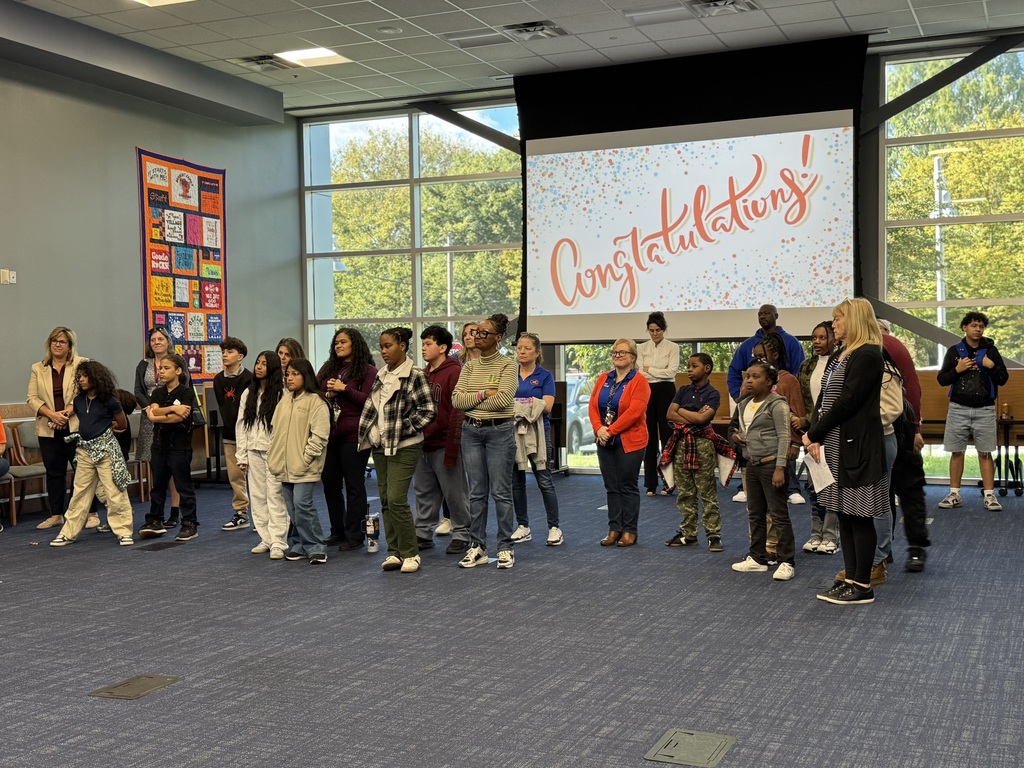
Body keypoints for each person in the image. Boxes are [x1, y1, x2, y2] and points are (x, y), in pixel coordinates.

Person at [804, 297, 887, 606]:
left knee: (860, 516)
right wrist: (814, 432)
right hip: (837, 444)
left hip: (857, 446)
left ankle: (863, 585)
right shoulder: (843, 353)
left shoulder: (868, 355)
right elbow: (826, 398)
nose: (833, 325)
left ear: (853, 321)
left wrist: (814, 432)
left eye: (838, 320)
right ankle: (850, 579)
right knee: (844, 514)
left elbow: (848, 401)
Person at [357, 328, 436, 574]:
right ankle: (394, 552)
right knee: (385, 500)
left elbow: (428, 410)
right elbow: (375, 409)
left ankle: (411, 552)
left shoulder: (414, 375)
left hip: (405, 446)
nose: (383, 351)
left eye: (388, 346)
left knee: (396, 499)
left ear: (402, 346)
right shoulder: (381, 374)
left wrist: (405, 429)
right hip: (381, 446)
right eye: (381, 347)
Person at [452, 313, 519, 569]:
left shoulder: (508, 365)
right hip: (471, 432)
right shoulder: (469, 366)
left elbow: (504, 400)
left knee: (501, 493)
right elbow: (457, 401)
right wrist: (483, 393)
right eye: (475, 332)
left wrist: (475, 399)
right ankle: (477, 547)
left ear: (498, 338)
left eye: (484, 333)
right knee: (477, 493)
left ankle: (505, 547)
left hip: (499, 432)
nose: (477, 336)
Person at [48, 361, 135, 548]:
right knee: (80, 493)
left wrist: (111, 431)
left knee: (114, 491)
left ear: (96, 378)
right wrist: (56, 421)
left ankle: (124, 531)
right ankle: (68, 533)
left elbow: (122, 423)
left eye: (85, 376)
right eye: (79, 377)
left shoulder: (109, 400)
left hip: (105, 451)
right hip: (85, 451)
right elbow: (73, 417)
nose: (81, 379)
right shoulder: (79, 401)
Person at [726, 305, 804, 504]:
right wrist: (738, 397)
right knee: (756, 508)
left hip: (779, 438)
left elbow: (799, 374)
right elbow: (734, 373)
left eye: (766, 313)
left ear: (776, 316)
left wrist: (796, 442)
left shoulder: (791, 347)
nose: (762, 316)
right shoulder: (748, 346)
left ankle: (792, 487)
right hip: (754, 444)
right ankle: (744, 486)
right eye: (759, 313)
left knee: (782, 457)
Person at [935, 311, 1009, 511]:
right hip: (958, 408)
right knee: (956, 452)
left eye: (981, 326)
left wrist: (991, 366)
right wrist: (957, 370)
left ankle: (989, 496)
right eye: (974, 325)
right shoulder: (954, 351)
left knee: (985, 452)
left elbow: (1003, 378)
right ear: (964, 328)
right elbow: (942, 380)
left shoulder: (991, 351)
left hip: (985, 409)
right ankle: (954, 494)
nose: (978, 329)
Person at [27, 326, 99, 530]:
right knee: (54, 472)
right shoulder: (37, 368)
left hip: (76, 425)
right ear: (49, 344)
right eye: (54, 341)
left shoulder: (81, 364)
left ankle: (91, 513)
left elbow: (85, 393)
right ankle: (56, 515)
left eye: (62, 342)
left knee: (84, 471)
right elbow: (32, 398)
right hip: (48, 427)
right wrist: (52, 415)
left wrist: (66, 414)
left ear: (69, 346)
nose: (57, 345)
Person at [729, 361, 795, 580]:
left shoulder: (777, 404)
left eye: (756, 377)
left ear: (769, 382)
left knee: (778, 515)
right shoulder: (743, 404)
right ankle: (757, 557)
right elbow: (735, 430)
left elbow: (785, 436)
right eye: (748, 376)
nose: (749, 380)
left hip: (771, 464)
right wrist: (735, 438)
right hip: (751, 465)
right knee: (755, 514)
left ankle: (787, 561)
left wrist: (780, 468)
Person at [413, 325, 471, 555]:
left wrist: (452, 444)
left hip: (445, 442)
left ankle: (461, 533)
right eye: (423, 343)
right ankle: (423, 533)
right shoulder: (423, 374)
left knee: (454, 492)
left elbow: (457, 411)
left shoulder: (454, 372)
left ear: (443, 348)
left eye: (428, 344)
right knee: (423, 491)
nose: (424, 348)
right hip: (422, 442)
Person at [316, 327, 376, 551]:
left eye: (343, 342)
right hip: (330, 435)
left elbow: (370, 401)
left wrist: (344, 389)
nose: (338, 346)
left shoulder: (367, 371)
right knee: (330, 483)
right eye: (336, 343)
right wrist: (327, 394)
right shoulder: (329, 368)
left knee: (354, 485)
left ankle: (355, 534)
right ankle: (337, 530)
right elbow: (313, 391)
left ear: (355, 345)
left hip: (355, 436)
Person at [878, 320, 930, 572]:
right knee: (908, 492)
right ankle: (915, 549)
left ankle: (885, 550)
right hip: (903, 427)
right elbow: (915, 389)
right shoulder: (895, 345)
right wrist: (916, 428)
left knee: (888, 492)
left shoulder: (884, 345)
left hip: (896, 428)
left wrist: (914, 429)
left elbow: (911, 392)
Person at [590, 338, 651, 548]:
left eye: (622, 352)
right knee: (611, 486)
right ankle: (614, 528)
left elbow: (635, 412)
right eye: (615, 352)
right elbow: (592, 406)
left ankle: (629, 531)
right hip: (604, 439)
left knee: (627, 485)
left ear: (633, 357)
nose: (617, 356)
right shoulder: (603, 378)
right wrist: (599, 428)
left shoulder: (639, 381)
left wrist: (610, 430)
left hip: (630, 441)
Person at [270, 359, 331, 564]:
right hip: (283, 465)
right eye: (288, 374)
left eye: (295, 374)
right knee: (293, 509)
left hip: (304, 466)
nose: (290, 378)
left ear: (306, 376)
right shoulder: (284, 401)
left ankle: (315, 546)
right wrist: (274, 456)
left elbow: (320, 436)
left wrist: (306, 458)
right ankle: (299, 544)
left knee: (302, 504)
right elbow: (275, 432)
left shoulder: (316, 401)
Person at [664, 353, 724, 551]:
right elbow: (669, 414)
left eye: (694, 366)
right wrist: (692, 414)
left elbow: (702, 420)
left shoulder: (713, 394)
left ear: (706, 368)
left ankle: (713, 535)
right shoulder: (682, 390)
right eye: (688, 366)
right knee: (685, 492)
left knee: (707, 492)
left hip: (703, 445)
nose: (689, 369)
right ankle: (688, 533)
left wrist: (681, 412)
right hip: (681, 443)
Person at [139, 354, 199, 542]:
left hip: (179, 446)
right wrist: (171, 409)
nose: (162, 372)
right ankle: (155, 520)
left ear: (178, 371)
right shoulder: (157, 393)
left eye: (166, 368)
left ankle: (189, 523)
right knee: (158, 486)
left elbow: (179, 418)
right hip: (159, 445)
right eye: (160, 368)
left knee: (183, 485)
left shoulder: (186, 392)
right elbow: (154, 412)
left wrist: (158, 415)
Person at [511, 332, 563, 547]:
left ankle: (554, 527)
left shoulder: (545, 376)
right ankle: (523, 526)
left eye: (527, 348)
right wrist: (531, 402)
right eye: (519, 348)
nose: (522, 352)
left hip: (540, 433)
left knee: (544, 480)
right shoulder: (510, 373)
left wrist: (518, 405)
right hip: (513, 433)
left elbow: (547, 405)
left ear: (537, 353)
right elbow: (502, 402)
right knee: (516, 482)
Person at [236, 351, 288, 560]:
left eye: (264, 364)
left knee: (275, 496)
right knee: (257, 496)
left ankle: (278, 541)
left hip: (275, 452)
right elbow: (241, 425)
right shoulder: (248, 393)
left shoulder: (281, 393)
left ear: (273, 367)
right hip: (253, 451)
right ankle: (265, 538)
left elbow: (284, 426)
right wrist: (242, 455)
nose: (258, 367)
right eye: (257, 363)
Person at [794, 321, 840, 554]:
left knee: (830, 484)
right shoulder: (807, 365)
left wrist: (811, 423)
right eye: (814, 338)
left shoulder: (841, 361)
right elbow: (803, 399)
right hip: (811, 433)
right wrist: (804, 423)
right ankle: (816, 533)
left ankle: (831, 535)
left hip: (831, 432)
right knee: (813, 486)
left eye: (822, 337)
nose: (817, 342)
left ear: (834, 338)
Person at [135, 325, 182, 528]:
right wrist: (149, 408)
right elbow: (138, 390)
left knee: (173, 466)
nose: (156, 343)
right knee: (157, 467)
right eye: (153, 340)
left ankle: (175, 510)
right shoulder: (143, 364)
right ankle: (157, 513)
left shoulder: (177, 361)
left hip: (172, 414)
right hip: (149, 417)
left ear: (167, 342)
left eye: (160, 339)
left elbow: (184, 385)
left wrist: (164, 409)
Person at [637, 312, 680, 496]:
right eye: (652, 330)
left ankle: (669, 482)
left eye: (658, 330)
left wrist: (650, 370)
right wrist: (654, 371)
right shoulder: (641, 348)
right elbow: (640, 372)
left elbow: (671, 373)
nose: (655, 334)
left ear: (664, 329)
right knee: (649, 438)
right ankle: (650, 484)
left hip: (666, 391)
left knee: (667, 437)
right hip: (647, 391)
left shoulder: (673, 347)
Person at [214, 336, 254, 532]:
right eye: (223, 351)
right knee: (235, 476)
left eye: (229, 352)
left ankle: (265, 515)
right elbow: (224, 406)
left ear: (240, 356)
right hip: (230, 434)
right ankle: (241, 513)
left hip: (250, 434)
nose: (225, 355)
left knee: (256, 476)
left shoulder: (249, 378)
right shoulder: (218, 380)